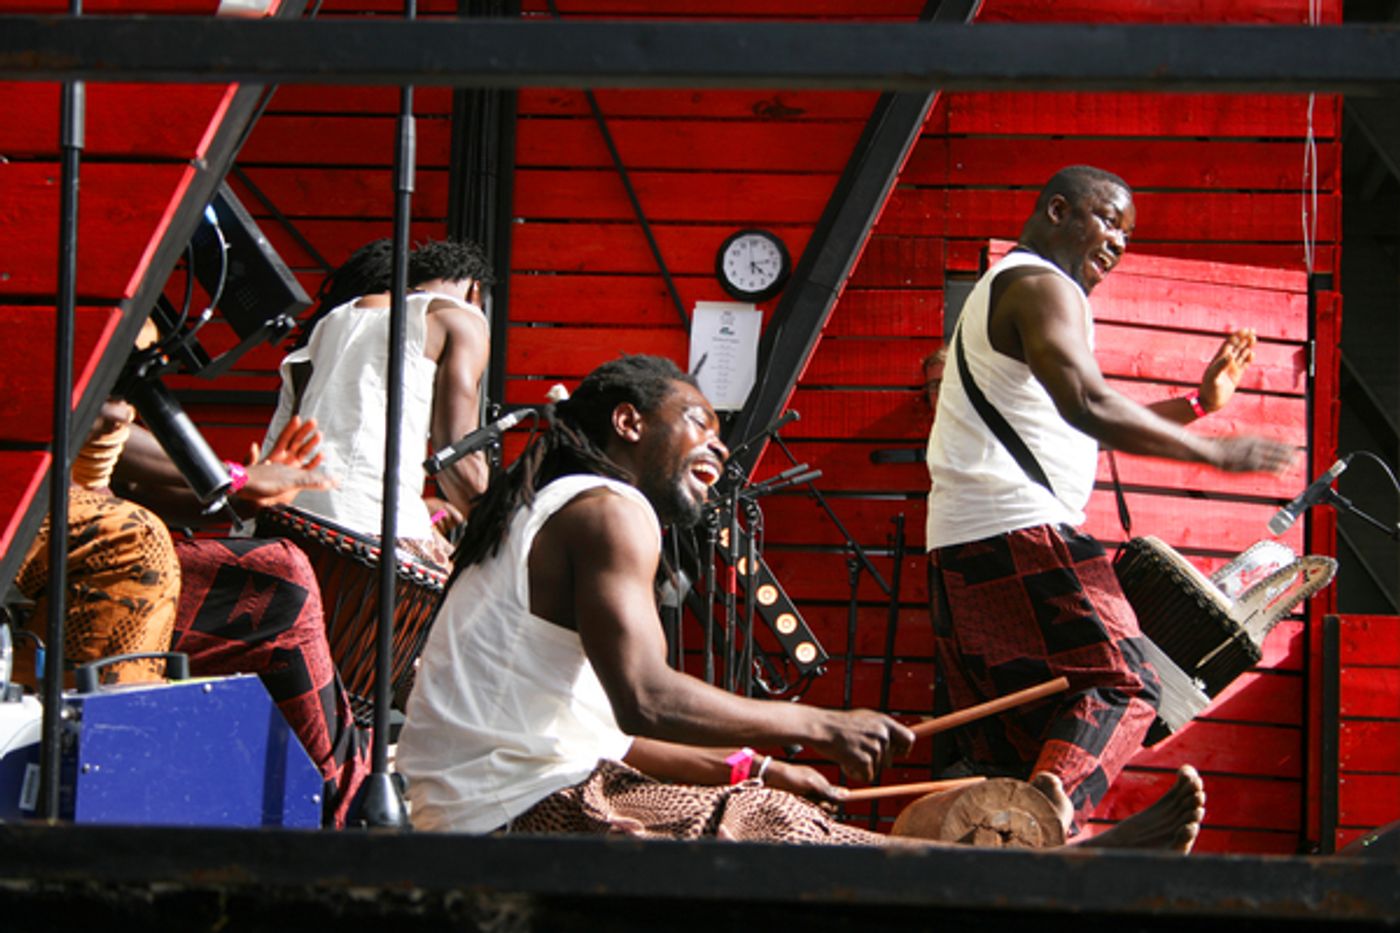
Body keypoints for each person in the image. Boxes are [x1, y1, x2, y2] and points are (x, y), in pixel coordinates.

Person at [397, 354, 1205, 850]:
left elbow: (608, 734)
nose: (720, 446)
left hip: (486, 803)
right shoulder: (610, 509)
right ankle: (1034, 881)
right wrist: (823, 724)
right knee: (774, 834)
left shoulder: (547, 509)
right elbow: (645, 698)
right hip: (517, 815)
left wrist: (763, 767)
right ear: (628, 422)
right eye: (699, 423)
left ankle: (1028, 875)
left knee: (768, 808)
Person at [923, 165, 1295, 839]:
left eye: (1128, 233)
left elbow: (1077, 421)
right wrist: (1215, 453)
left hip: (967, 544)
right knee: (1127, 682)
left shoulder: (1014, 291)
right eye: (1108, 220)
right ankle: (1055, 822)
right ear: (1057, 212)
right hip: (1018, 530)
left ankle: (1018, 853)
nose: (1119, 242)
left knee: (1012, 744)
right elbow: (1088, 402)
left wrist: (1198, 405)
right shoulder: (1042, 284)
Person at [13, 384, 372, 828]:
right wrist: (236, 477)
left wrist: (239, 497)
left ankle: (343, 811)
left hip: (77, 525)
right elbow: (92, 414)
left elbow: (120, 471)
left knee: (277, 587)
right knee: (141, 543)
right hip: (31, 510)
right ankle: (98, 802)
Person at [263, 238, 493, 567]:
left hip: (289, 520)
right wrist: (503, 526)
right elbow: (455, 455)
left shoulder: (334, 319)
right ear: (475, 292)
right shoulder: (460, 317)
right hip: (370, 531)